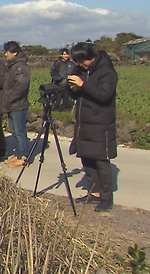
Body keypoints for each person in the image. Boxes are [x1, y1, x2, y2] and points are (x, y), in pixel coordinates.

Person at [68, 42, 118, 212]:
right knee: (86, 158)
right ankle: (94, 192)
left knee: (101, 160)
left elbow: (104, 95)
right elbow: (78, 94)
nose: (80, 65)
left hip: (101, 123)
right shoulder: (82, 71)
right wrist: (73, 88)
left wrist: (83, 85)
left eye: (81, 61)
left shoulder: (107, 72)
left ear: (89, 57)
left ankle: (106, 197)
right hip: (84, 122)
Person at [1, 41, 31, 168]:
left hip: (18, 105)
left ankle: (23, 157)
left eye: (7, 52)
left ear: (15, 53)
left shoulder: (20, 67)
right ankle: (18, 154)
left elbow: (21, 87)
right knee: (14, 131)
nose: (6, 54)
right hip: (12, 105)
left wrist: (9, 99)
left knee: (20, 132)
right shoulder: (12, 66)